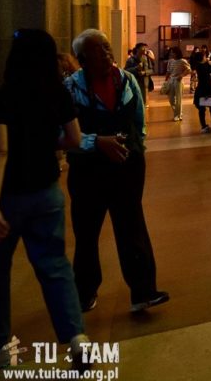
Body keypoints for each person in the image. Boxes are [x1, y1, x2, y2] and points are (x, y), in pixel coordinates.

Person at [0, 30, 89, 371]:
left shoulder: (5, 95)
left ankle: (4, 347)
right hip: (47, 191)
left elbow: (1, 151)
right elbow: (75, 139)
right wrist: (46, 145)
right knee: (55, 265)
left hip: (9, 195)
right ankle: (76, 338)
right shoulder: (57, 93)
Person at [64, 29, 169, 314]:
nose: (107, 52)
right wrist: (96, 143)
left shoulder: (127, 80)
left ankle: (143, 291)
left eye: (108, 46)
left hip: (127, 168)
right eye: (99, 49)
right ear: (83, 58)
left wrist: (136, 148)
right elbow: (63, 136)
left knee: (132, 226)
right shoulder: (71, 88)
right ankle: (85, 292)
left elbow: (139, 120)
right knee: (87, 232)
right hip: (88, 171)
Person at [191, 49, 211, 132]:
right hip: (207, 90)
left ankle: (204, 126)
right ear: (202, 57)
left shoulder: (197, 66)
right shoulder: (205, 65)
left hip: (201, 90)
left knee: (202, 109)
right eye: (205, 56)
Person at [164, 46, 191, 121]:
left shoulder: (182, 61)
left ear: (177, 53)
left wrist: (181, 75)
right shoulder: (170, 61)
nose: (171, 54)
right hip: (171, 80)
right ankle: (178, 113)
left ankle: (178, 115)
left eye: (173, 52)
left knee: (179, 99)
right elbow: (168, 71)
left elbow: (189, 69)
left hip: (178, 81)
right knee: (171, 99)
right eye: (171, 52)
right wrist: (166, 80)